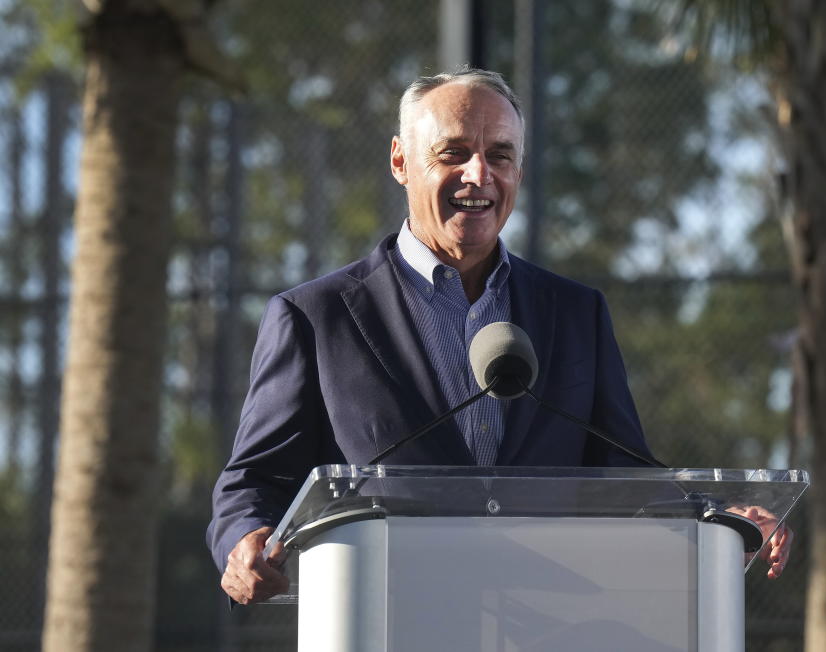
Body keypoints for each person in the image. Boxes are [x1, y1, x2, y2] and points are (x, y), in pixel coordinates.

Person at [207, 69, 791, 605]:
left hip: (552, 622)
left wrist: (719, 522)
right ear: (400, 161)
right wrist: (244, 540)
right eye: (453, 153)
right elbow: (253, 481)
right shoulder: (316, 316)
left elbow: (623, 474)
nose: (479, 175)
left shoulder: (575, 312)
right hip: (384, 617)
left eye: (500, 155)